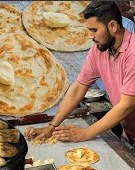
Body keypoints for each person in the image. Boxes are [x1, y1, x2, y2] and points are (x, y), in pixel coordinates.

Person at [25, 2, 135, 146]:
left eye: (94, 30)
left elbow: (126, 105)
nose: (90, 36)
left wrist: (85, 133)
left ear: (112, 26)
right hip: (129, 132)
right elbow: (79, 87)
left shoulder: (132, 52)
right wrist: (52, 126)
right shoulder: (100, 49)